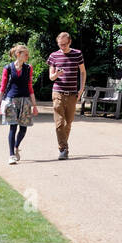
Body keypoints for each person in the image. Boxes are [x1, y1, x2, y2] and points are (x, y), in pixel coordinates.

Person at [0, 44, 39, 165]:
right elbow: (3, 87)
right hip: (11, 100)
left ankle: (16, 147)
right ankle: (11, 155)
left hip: (25, 100)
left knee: (23, 129)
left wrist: (34, 106)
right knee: (13, 127)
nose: (27, 56)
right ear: (18, 54)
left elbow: (30, 87)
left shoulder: (28, 68)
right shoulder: (8, 68)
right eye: (25, 54)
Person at [47, 32, 86, 160]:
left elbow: (83, 72)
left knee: (68, 123)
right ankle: (63, 149)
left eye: (64, 44)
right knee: (59, 123)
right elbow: (51, 77)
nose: (62, 47)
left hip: (72, 95)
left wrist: (81, 89)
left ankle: (64, 146)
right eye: (60, 44)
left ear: (69, 42)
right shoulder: (54, 56)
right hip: (57, 93)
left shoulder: (77, 54)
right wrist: (57, 74)